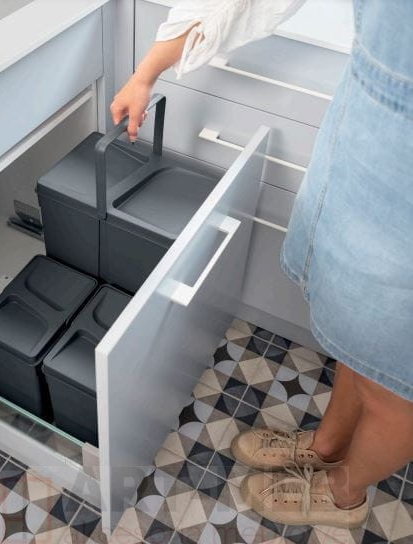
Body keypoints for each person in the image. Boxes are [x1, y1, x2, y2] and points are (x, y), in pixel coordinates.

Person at [111, 0, 413, 529]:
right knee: (359, 341)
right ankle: (327, 446)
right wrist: (146, 72)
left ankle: (344, 494)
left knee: (396, 383)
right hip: (368, 137)